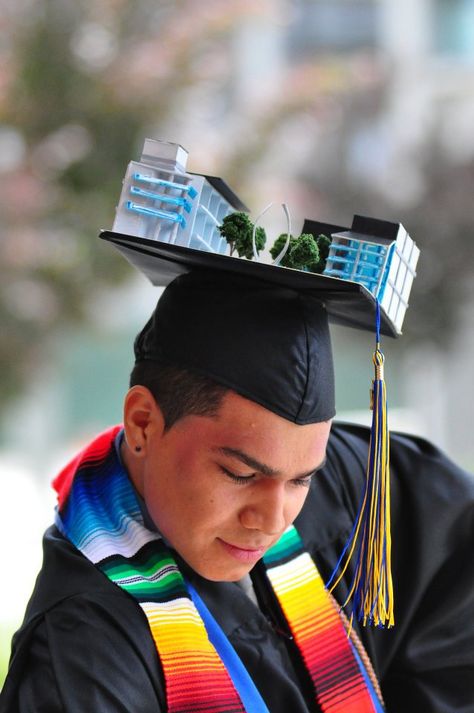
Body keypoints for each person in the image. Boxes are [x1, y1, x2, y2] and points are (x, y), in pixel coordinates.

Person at [1, 269, 473, 713]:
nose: (273, 519)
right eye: (240, 475)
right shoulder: (83, 653)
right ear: (143, 423)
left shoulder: (351, 480)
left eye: (302, 479)